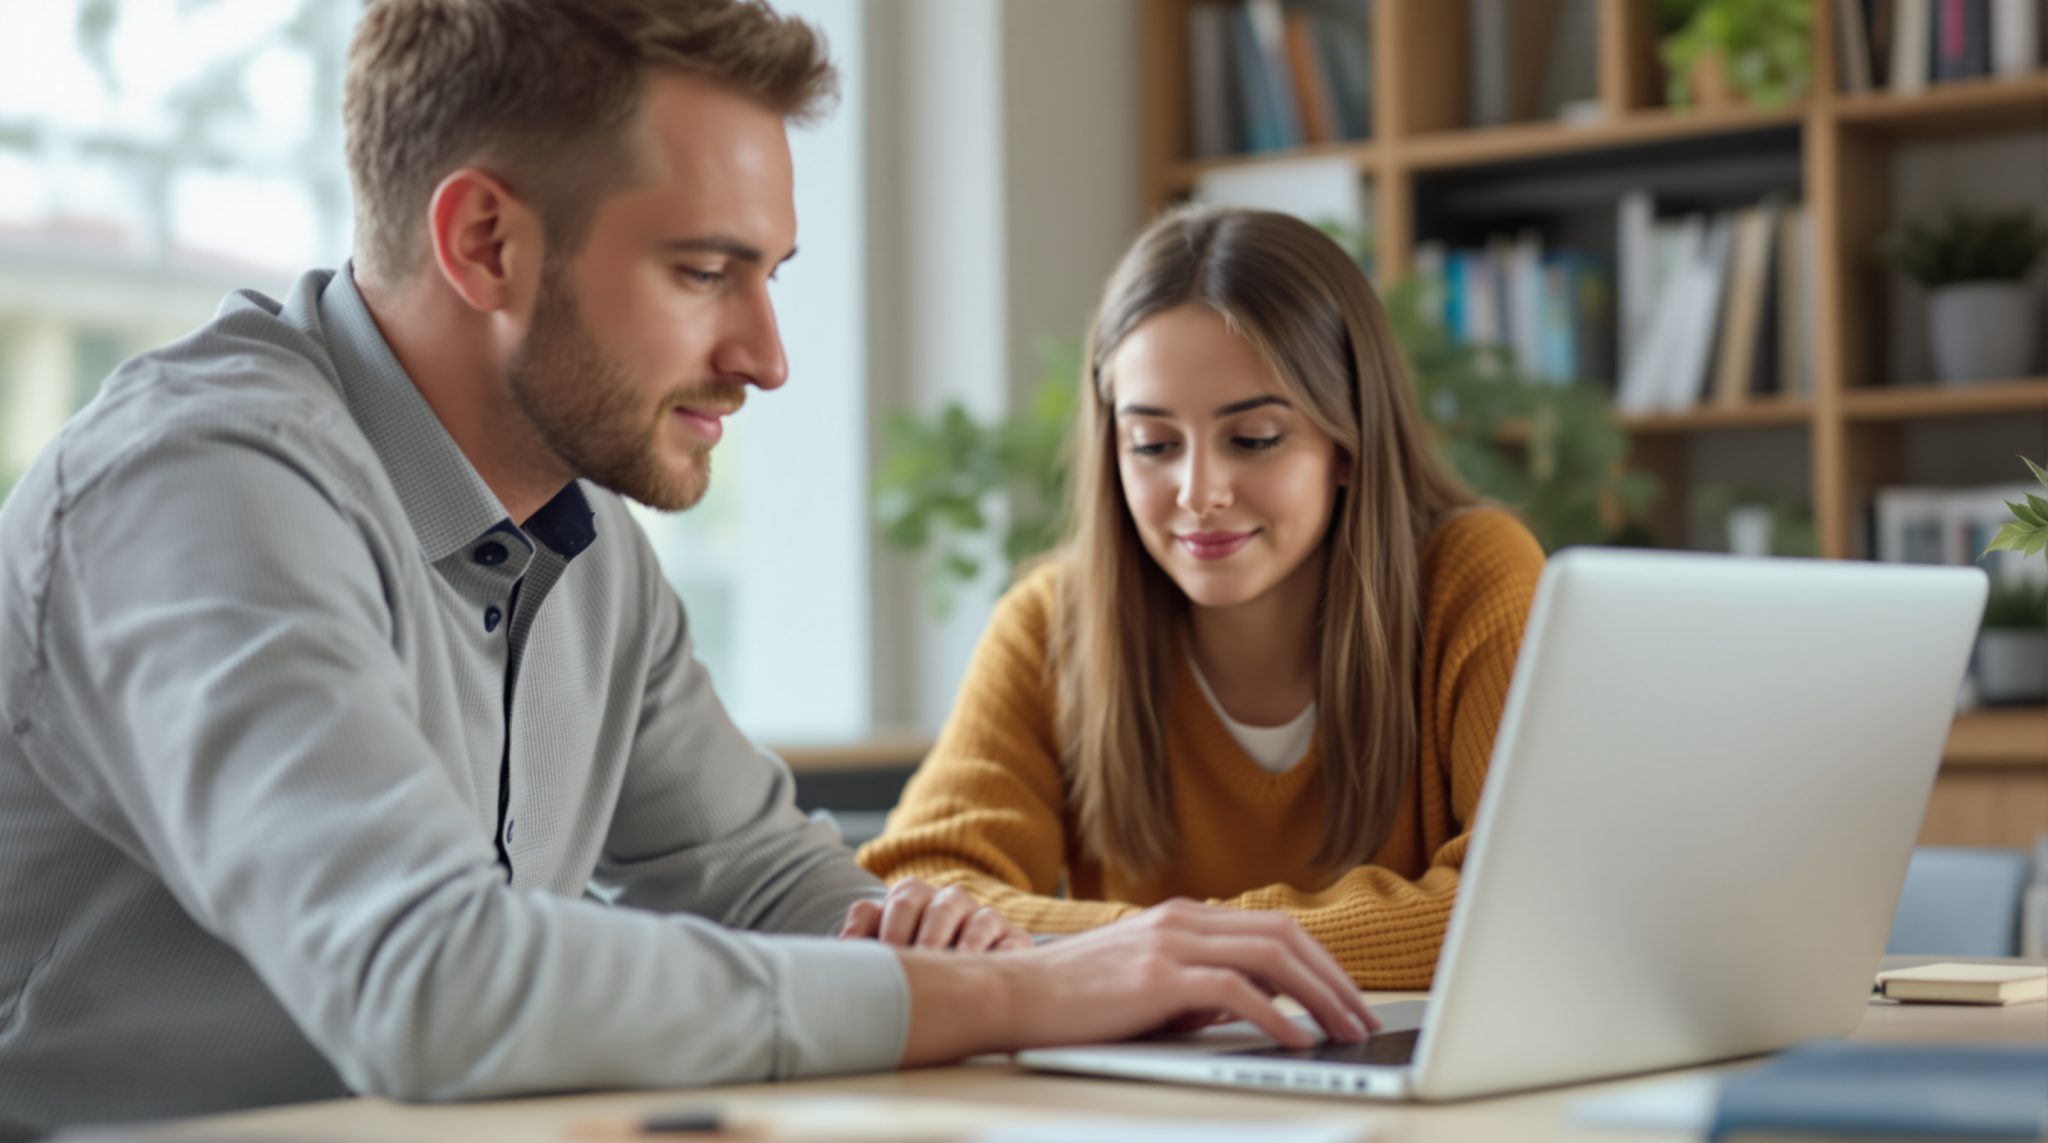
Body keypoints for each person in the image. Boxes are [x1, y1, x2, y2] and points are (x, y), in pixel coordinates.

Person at [0, 4, 1375, 1137]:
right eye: (708, 271)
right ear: (485, 240)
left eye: (772, 274)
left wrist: (1002, 960)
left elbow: (759, 873)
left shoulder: (576, 534)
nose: (769, 355)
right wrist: (1024, 999)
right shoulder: (200, 487)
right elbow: (429, 980)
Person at [857, 207, 1547, 988]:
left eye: (1253, 438)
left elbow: (1527, 901)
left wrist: (1171, 949)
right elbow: (911, 891)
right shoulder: (1054, 622)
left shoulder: (1473, 579)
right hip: (1149, 1092)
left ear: (1347, 442)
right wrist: (1154, 948)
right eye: (1152, 445)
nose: (1199, 493)